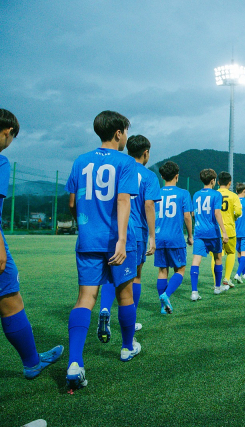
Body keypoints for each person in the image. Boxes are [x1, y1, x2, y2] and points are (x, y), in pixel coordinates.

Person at [64, 110, 140, 390]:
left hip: (87, 240)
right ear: (119, 133)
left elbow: (72, 203)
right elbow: (123, 200)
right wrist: (120, 240)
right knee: (125, 294)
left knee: (85, 298)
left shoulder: (80, 161)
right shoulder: (125, 162)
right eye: (126, 132)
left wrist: (84, 226)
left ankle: (74, 363)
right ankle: (127, 346)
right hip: (116, 240)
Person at [0, 109, 63, 380]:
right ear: (7, 132)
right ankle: (32, 363)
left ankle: (33, 360)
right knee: (10, 297)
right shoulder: (0, 161)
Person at [97, 135, 161, 343]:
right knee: (135, 276)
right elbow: (149, 205)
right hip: (137, 230)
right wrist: (152, 235)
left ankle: (105, 309)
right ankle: (130, 321)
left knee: (109, 273)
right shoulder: (149, 176)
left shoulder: (117, 168)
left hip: (113, 229)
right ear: (146, 153)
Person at [155, 161, 193, 313]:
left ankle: (163, 307)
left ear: (162, 176)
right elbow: (187, 217)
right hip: (175, 238)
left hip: (158, 237)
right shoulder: (183, 193)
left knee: (162, 271)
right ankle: (166, 295)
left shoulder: (156, 192)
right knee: (180, 270)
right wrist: (190, 235)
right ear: (177, 176)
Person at [190, 169, 228, 299]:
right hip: (213, 232)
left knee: (196, 260)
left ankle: (194, 292)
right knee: (218, 258)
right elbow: (217, 213)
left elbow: (193, 213)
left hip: (199, 232)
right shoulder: (216, 195)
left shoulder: (195, 195)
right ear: (213, 181)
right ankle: (217, 287)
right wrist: (224, 231)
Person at [217, 172, 242, 287]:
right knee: (231, 252)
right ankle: (226, 278)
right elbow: (238, 212)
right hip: (230, 229)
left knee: (216, 255)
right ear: (229, 183)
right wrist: (234, 217)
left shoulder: (214, 194)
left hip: (216, 229)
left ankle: (215, 282)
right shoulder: (233, 196)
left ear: (218, 182)